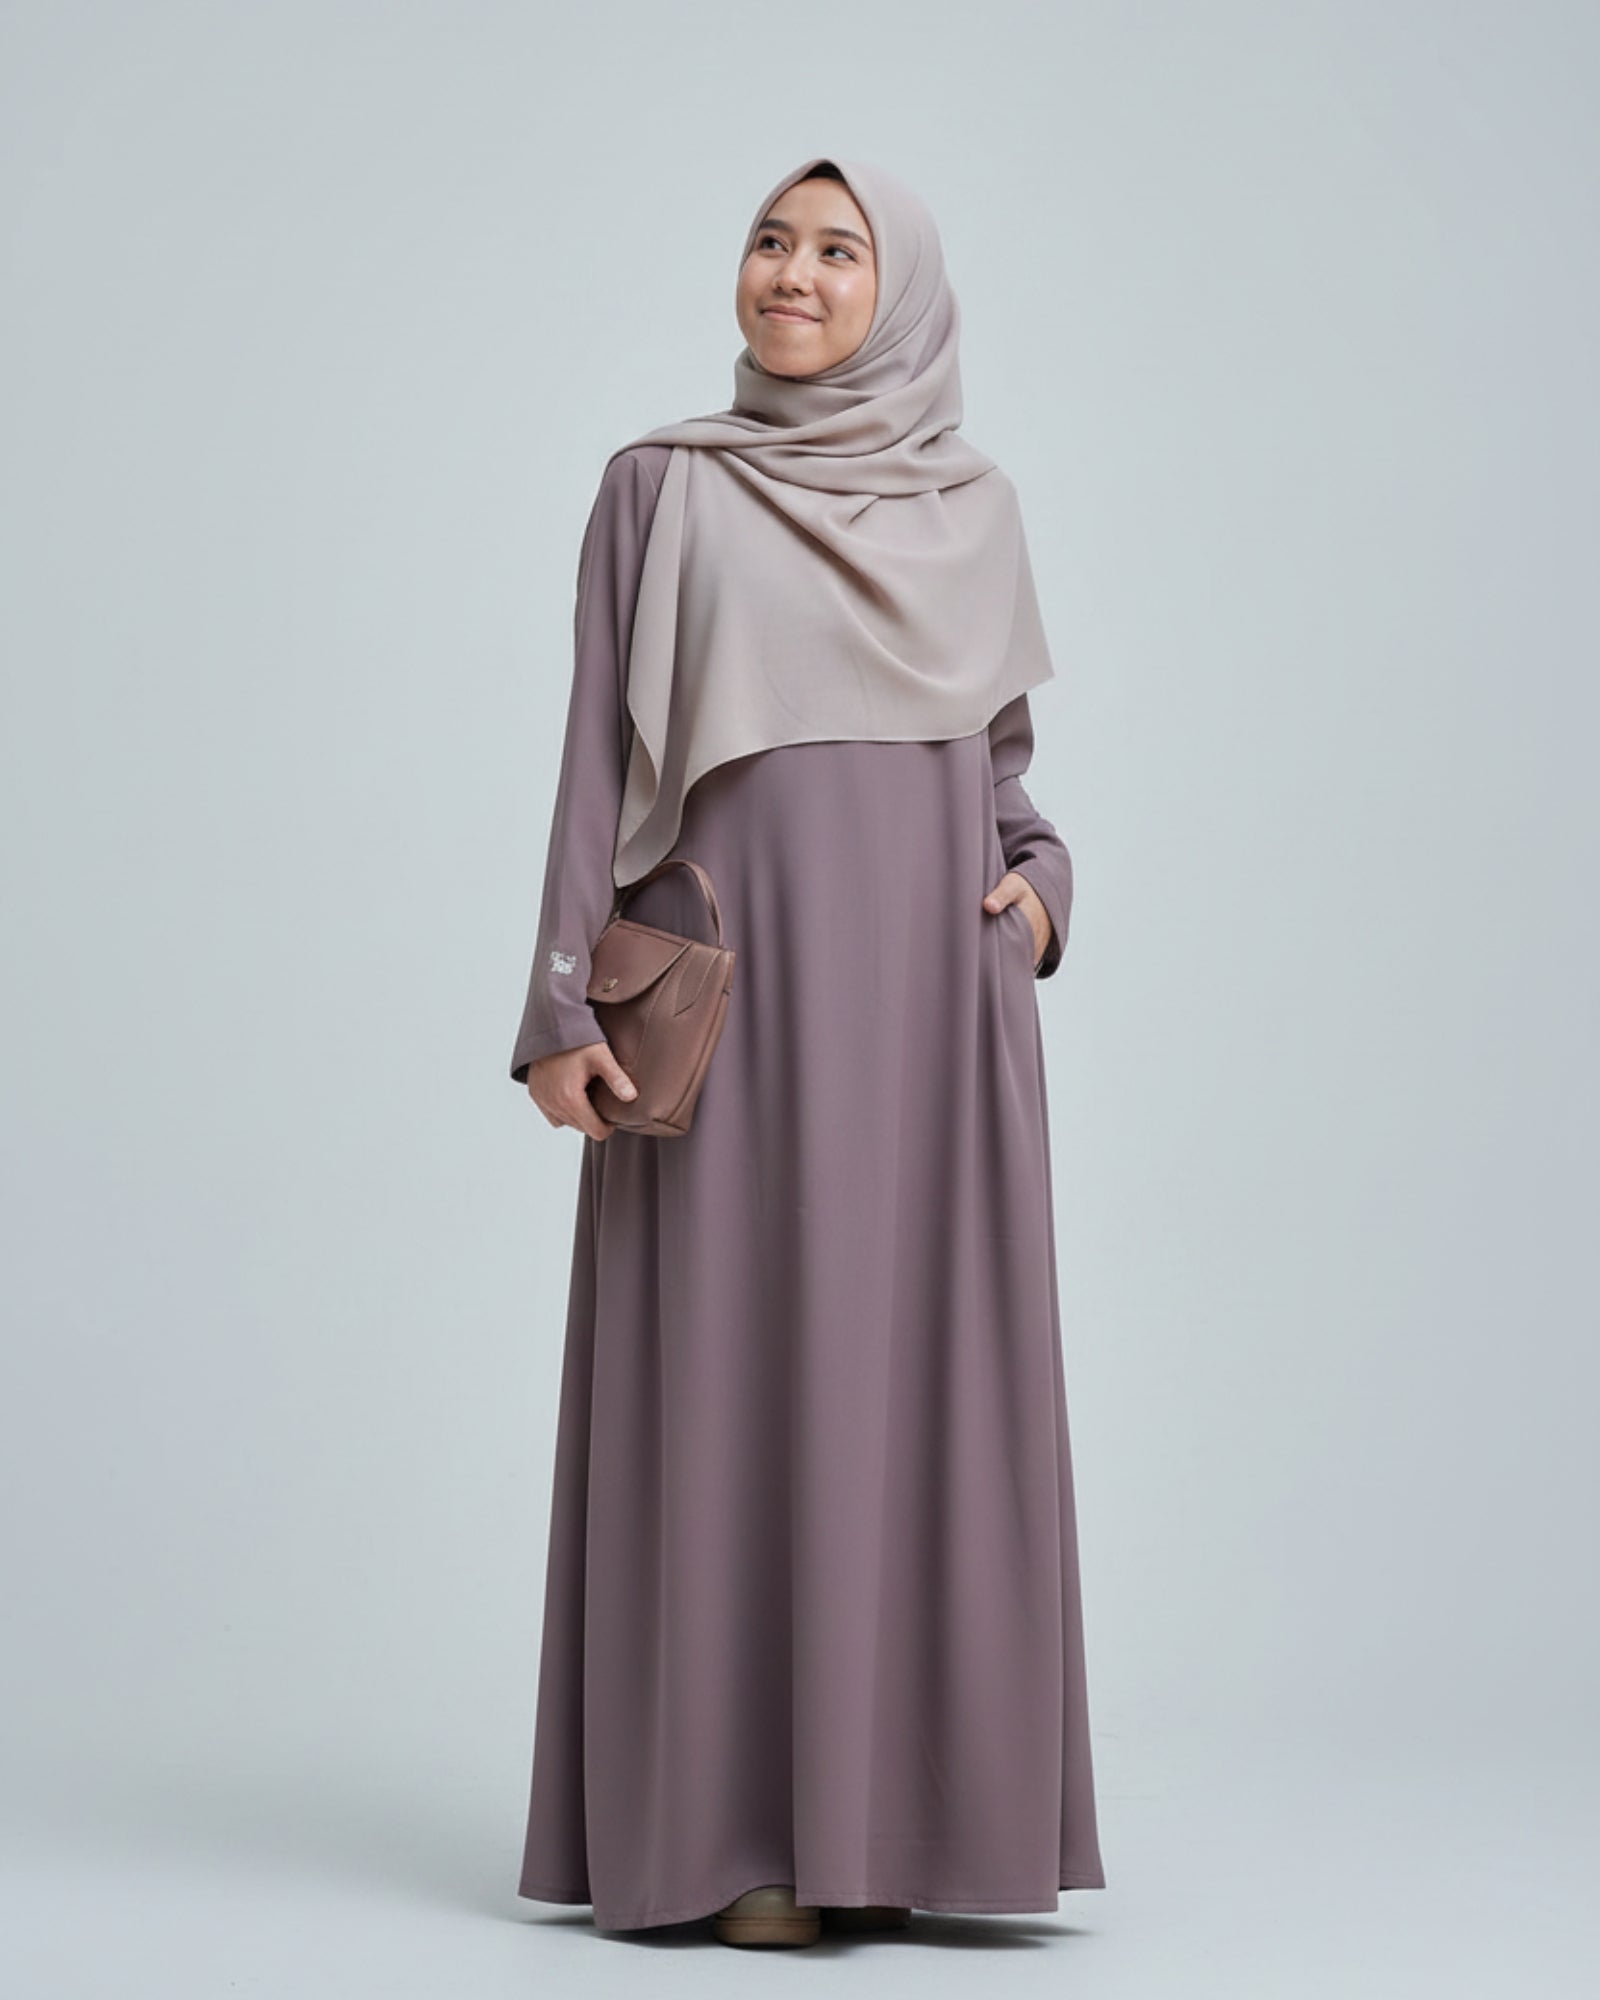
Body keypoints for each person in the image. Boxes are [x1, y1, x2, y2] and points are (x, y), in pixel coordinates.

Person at [507, 153, 1106, 1948]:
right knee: (734, 1391)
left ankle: (905, 1835)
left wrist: (1044, 897)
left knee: (916, 1395)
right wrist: (557, 1005)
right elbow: (591, 761)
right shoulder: (661, 488)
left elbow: (1005, 785)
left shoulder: (972, 509)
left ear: (899, 293)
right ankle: (742, 1839)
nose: (795, 271)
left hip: (931, 1021)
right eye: (772, 240)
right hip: (737, 1010)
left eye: (841, 250)